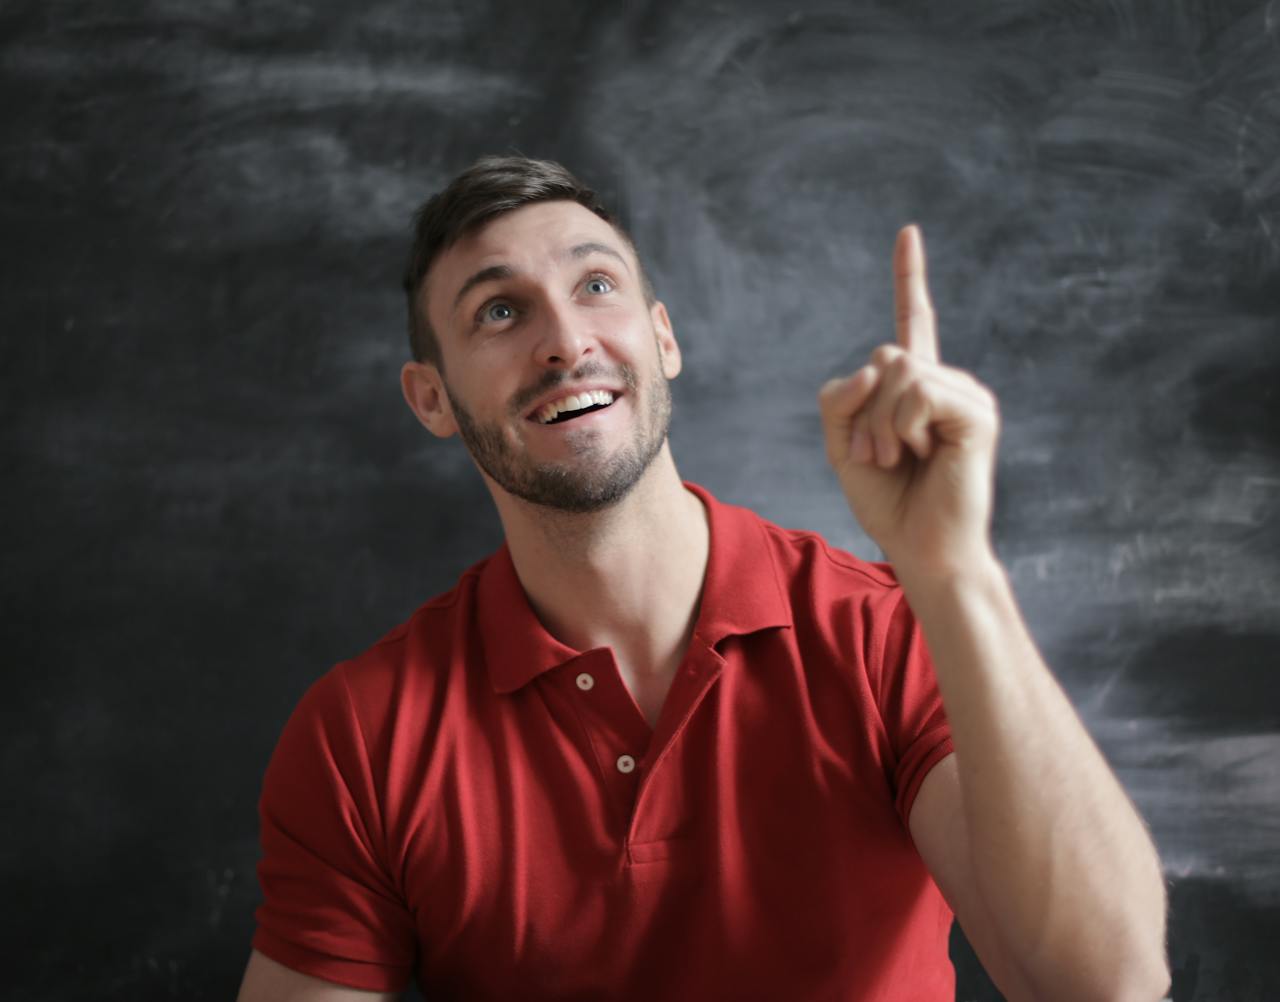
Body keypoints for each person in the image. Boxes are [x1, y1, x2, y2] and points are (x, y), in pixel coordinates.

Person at [236, 156, 1171, 1001]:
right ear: (431, 399)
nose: (566, 341)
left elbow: (1106, 985)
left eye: (595, 285)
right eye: (501, 311)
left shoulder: (891, 633)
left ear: (663, 340)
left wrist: (955, 571)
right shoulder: (360, 736)